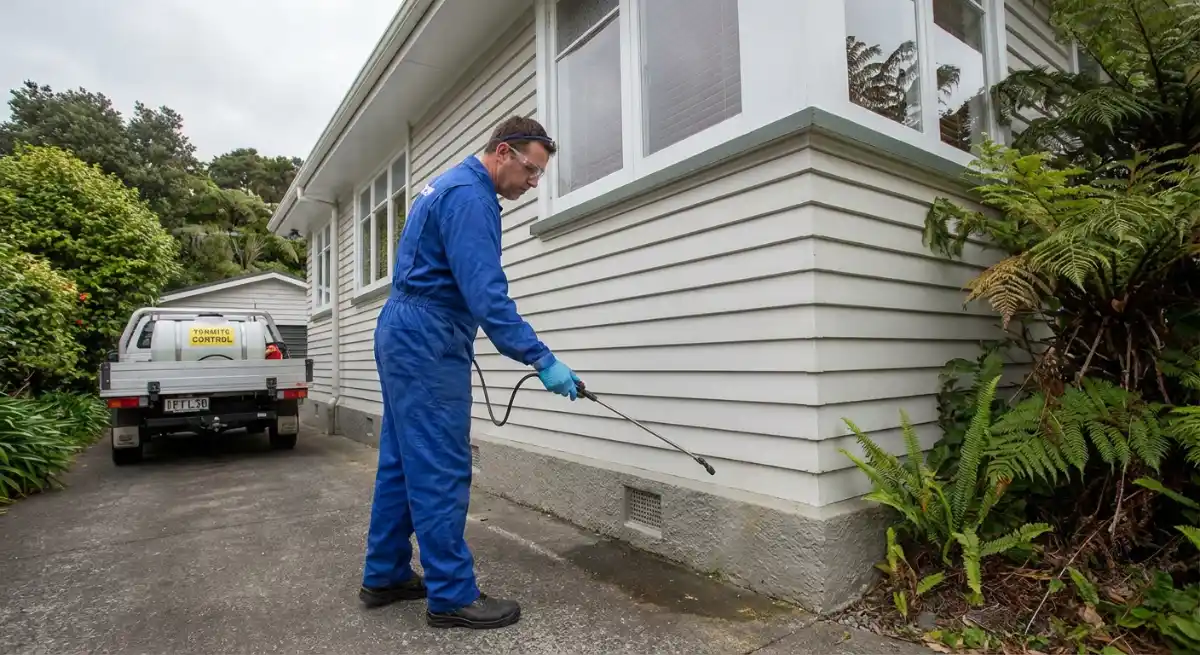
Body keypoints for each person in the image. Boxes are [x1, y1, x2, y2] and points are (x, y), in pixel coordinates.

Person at [357, 116, 581, 630]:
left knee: (402, 460)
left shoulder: (449, 185)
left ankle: (385, 573)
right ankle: (451, 595)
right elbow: (487, 295)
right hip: (426, 337)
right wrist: (541, 358)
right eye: (531, 170)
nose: (533, 182)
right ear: (503, 152)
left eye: (540, 174)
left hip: (405, 330)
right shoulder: (470, 199)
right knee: (440, 463)